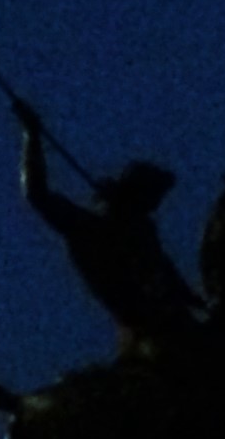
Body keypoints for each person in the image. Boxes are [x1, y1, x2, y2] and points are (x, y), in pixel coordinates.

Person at [16, 101, 201, 354]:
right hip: (149, 338)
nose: (155, 205)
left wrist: (196, 301)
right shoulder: (92, 230)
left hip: (175, 323)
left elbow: (167, 276)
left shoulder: (144, 233)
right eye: (151, 196)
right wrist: (32, 136)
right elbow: (38, 194)